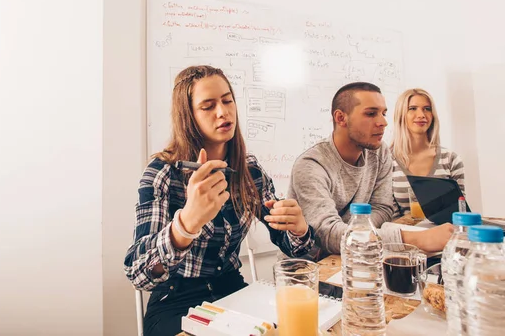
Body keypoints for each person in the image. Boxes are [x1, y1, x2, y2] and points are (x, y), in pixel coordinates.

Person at [124, 65, 314, 336]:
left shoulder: (249, 169)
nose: (223, 112)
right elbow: (137, 272)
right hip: (176, 300)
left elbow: (294, 247)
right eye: (208, 106)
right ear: (188, 116)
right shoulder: (163, 173)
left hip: (232, 290)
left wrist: (298, 228)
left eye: (227, 100)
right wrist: (185, 225)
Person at [287, 82, 453, 258]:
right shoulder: (311, 165)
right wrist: (415, 239)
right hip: (312, 270)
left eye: (383, 113)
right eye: (371, 114)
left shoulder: (379, 152)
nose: (383, 122)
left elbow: (383, 208)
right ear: (341, 118)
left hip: (363, 255)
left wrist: (355, 231)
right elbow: (326, 234)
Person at [391, 88, 465, 215]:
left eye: (427, 109)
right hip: (405, 232)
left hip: (445, 232)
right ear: (401, 115)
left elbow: (460, 209)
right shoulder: (387, 161)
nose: (421, 115)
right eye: (412, 108)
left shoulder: (450, 159)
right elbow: (389, 215)